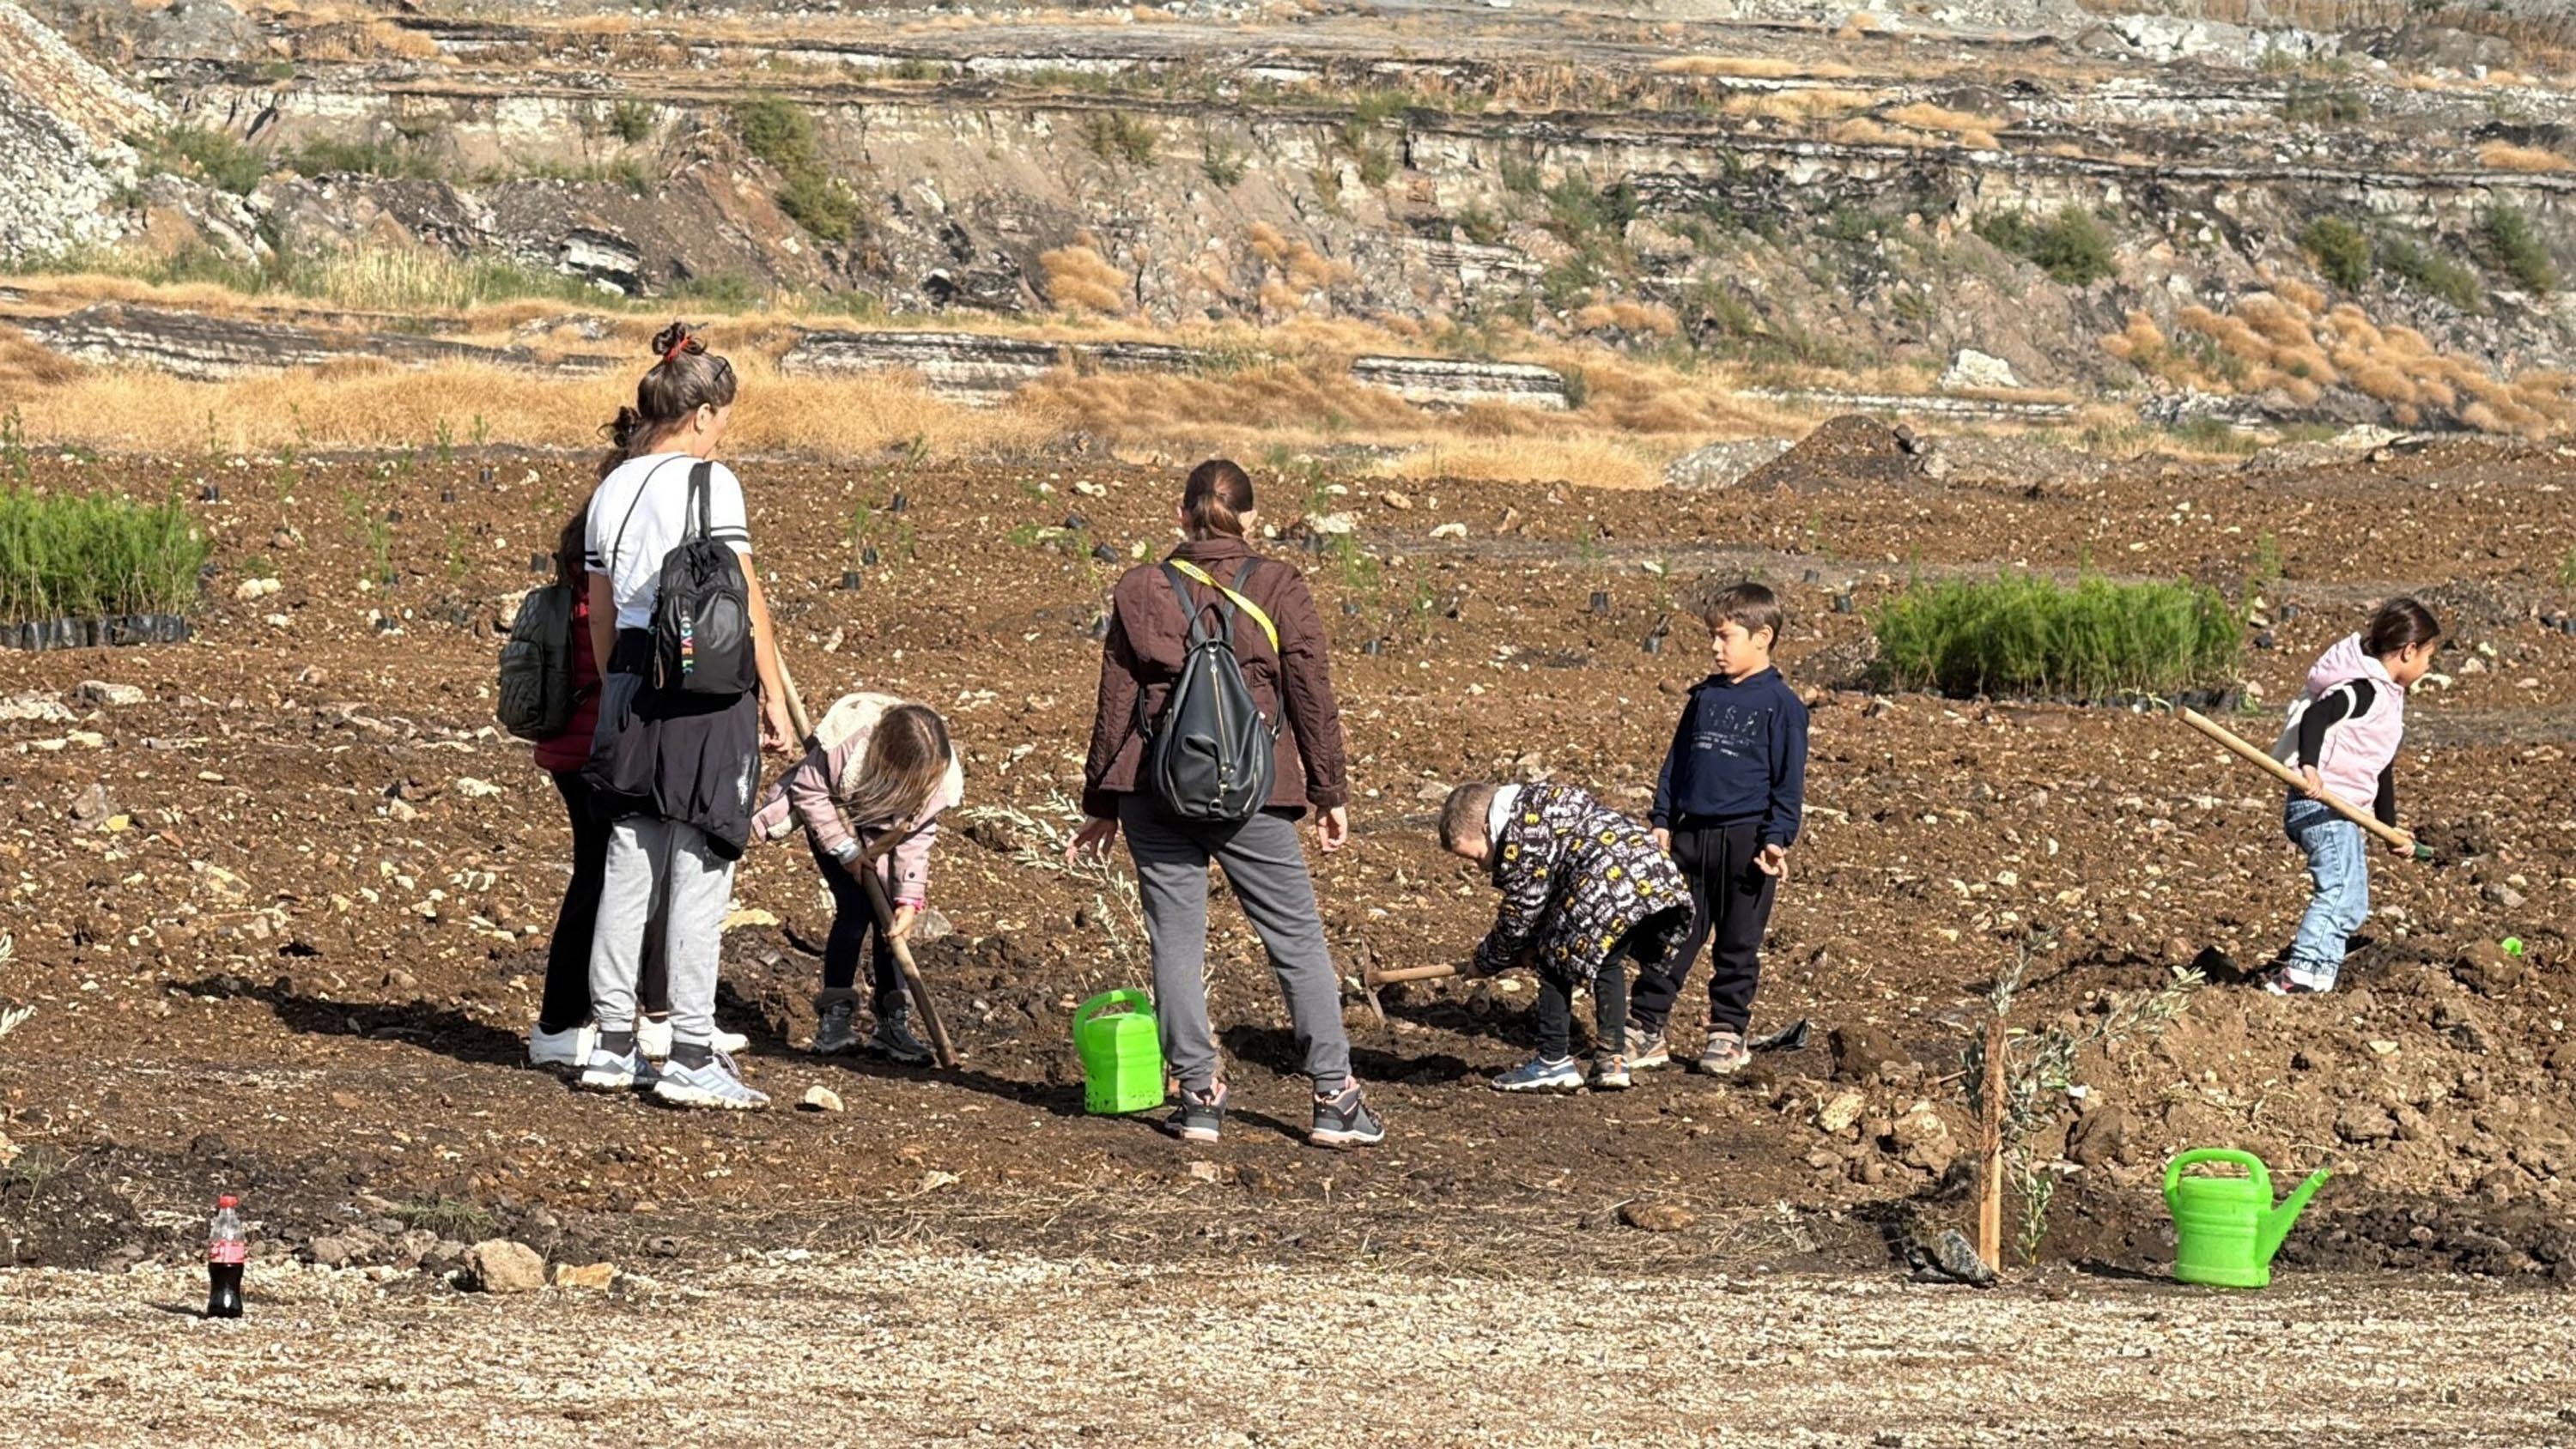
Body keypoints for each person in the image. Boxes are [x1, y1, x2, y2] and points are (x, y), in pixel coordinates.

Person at [1067, 458, 1382, 1148]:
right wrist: (1329, 792)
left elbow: (1115, 701)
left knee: (1174, 940)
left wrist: (1101, 801)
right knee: (1296, 940)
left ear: (1180, 516)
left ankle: (1199, 1095)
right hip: (1256, 791)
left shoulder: (1141, 588)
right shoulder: (1278, 584)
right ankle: (1335, 1097)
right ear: (1250, 519)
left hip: (1153, 787)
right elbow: (1312, 695)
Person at [576, 322, 796, 1110]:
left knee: (629, 857)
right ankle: (693, 1051)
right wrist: (772, 696)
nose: (724, 431)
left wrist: (619, 695)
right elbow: (743, 600)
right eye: (724, 417)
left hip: (633, 680)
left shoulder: (611, 490)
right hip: (706, 688)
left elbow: (603, 613)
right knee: (703, 861)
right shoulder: (714, 485)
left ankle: (609, 1042)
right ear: (701, 414)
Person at [1631, 581, 1810, 1076]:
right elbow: (1677, 763)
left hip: (1747, 842)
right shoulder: (1703, 698)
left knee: (1737, 944)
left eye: (1724, 637)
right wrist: (1663, 820)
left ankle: (1727, 1035)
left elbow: (1788, 784)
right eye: (1712, 636)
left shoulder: (1783, 706)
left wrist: (1776, 839)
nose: (1715, 647)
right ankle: (1646, 1028)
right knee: (1671, 936)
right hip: (1692, 837)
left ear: (1763, 636)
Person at [1440, 780, 1692, 1092]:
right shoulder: (1538, 803)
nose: (1480, 868)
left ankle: (1553, 1061)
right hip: (1650, 875)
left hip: (1605, 882)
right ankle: (1612, 1060)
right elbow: (1550, 886)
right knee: (1607, 962)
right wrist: (1525, 944)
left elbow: (1521, 911)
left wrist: (1487, 960)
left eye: (1476, 857)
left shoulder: (1520, 833)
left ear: (1486, 827)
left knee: (1554, 957)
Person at [750, 694, 962, 1062]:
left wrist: (909, 898)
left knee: (892, 924)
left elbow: (917, 838)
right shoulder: (848, 748)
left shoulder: (937, 778)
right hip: (835, 819)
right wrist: (846, 851)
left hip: (889, 834)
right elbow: (808, 791)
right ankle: (835, 1018)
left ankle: (893, 1024)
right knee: (855, 910)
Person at [2260, 597, 2440, 995]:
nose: (2429, 666)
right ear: (2409, 651)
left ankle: (2320, 979)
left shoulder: (2389, 700)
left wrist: (2389, 830)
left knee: (2353, 900)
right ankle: (2299, 974)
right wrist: (2309, 768)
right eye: (2428, 656)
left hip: (2345, 813)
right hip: (2320, 805)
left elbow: (2382, 766)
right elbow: (2315, 717)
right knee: (2339, 890)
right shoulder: (2364, 690)